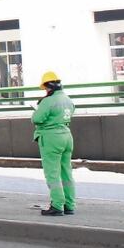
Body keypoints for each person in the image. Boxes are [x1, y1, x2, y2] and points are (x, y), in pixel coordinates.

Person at [32, 70, 76, 216]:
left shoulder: (48, 101)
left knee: (53, 173)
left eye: (45, 88)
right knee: (66, 172)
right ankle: (69, 205)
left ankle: (57, 205)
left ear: (48, 86)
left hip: (51, 138)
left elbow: (37, 119)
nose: (45, 90)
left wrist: (38, 108)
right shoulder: (68, 99)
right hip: (67, 136)